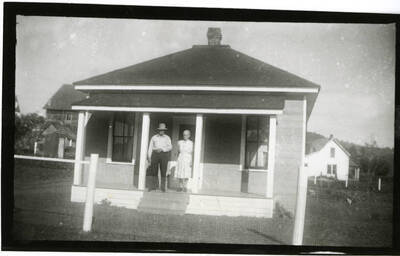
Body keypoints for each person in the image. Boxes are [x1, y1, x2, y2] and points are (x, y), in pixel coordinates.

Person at [147, 123, 172, 192]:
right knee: (154, 171)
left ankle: (163, 188)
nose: (162, 131)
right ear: (158, 130)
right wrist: (149, 156)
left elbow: (170, 147)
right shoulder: (154, 137)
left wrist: (162, 149)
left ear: (165, 130)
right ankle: (154, 187)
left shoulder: (167, 138)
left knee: (163, 171)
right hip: (155, 154)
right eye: (160, 130)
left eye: (163, 130)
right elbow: (150, 147)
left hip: (164, 155)